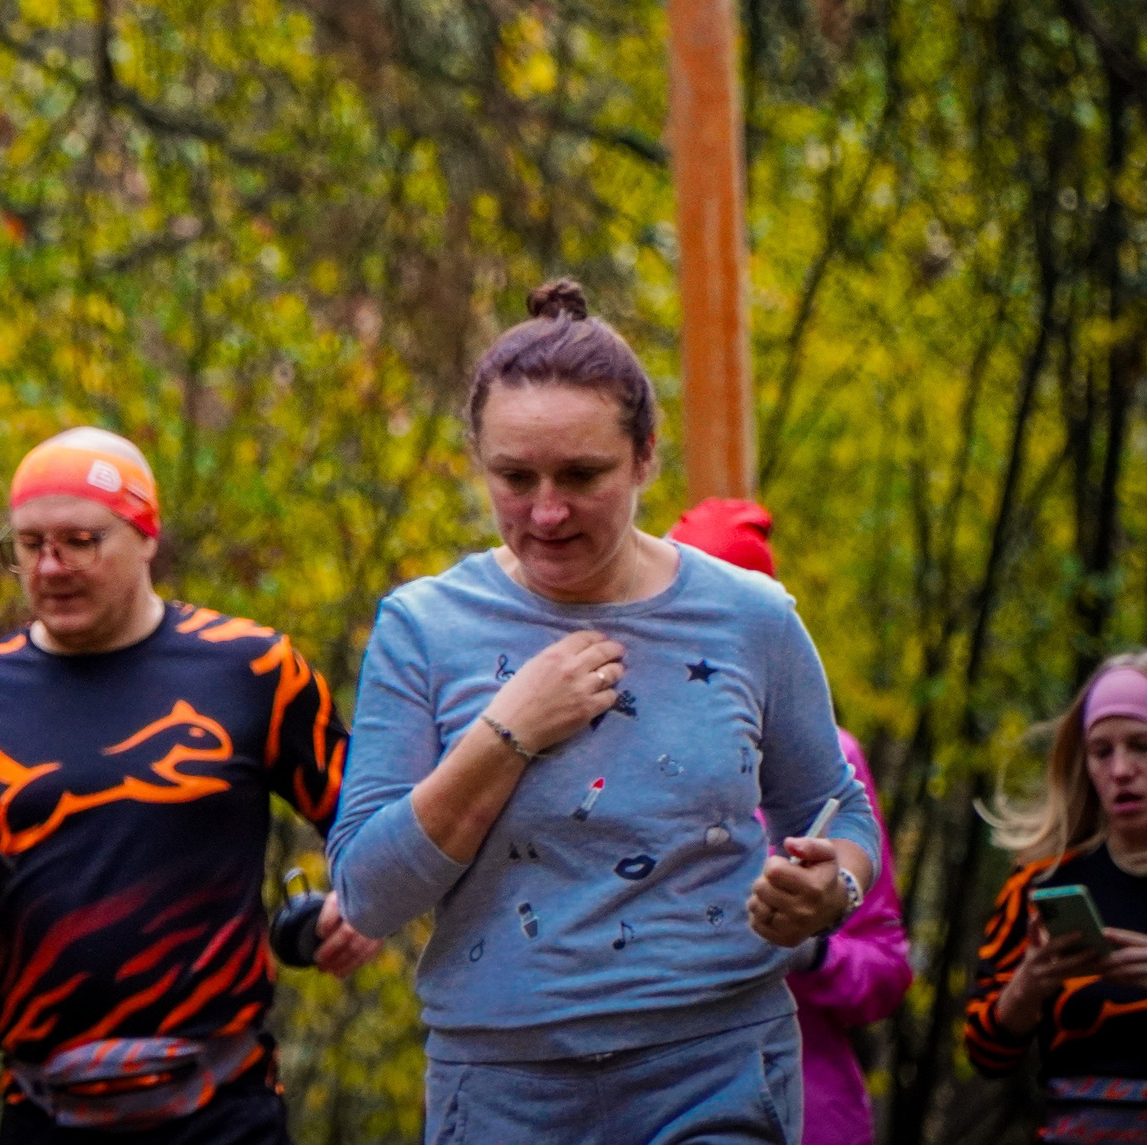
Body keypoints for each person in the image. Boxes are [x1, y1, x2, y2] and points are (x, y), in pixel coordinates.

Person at [327, 280, 881, 1144]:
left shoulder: (752, 615)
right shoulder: (424, 626)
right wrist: (504, 734)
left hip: (716, 1064)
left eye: (583, 475)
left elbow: (840, 808)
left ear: (646, 456)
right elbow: (365, 893)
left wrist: (830, 885)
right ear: (480, 461)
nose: (546, 511)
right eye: (515, 477)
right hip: (502, 1083)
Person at [0, 427, 381, 1143]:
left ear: (146, 536)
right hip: (43, 1110)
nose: (51, 565)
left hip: (224, 1106)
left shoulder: (254, 668)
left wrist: (360, 906)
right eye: (28, 544)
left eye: (81, 539)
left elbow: (372, 826)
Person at [670, 498, 912, 1145]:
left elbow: (886, 973)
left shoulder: (830, 766)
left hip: (806, 1113)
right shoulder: (613, 757)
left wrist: (809, 943)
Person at [963, 653, 1147, 1141]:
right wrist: (1029, 984)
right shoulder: (1039, 886)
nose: (1122, 770)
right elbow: (984, 1055)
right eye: (1101, 752)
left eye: (1141, 746)